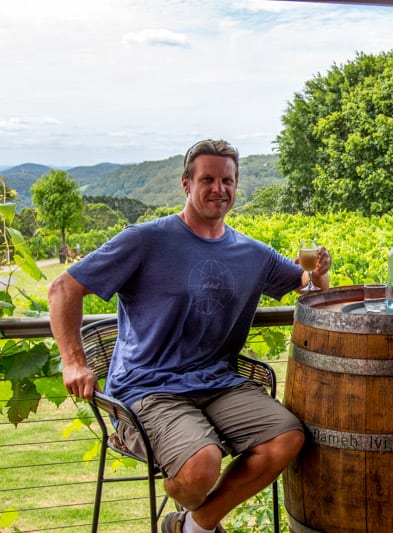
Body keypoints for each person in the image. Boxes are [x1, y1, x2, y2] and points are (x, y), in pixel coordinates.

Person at [48, 139, 332, 533]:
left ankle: (193, 526)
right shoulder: (145, 240)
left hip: (219, 382)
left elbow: (310, 290)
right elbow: (63, 288)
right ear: (186, 184)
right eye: (208, 179)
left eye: (227, 180)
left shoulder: (253, 253)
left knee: (287, 438)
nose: (219, 188)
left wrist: (318, 274)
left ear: (236, 186)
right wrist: (74, 362)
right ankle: (190, 491)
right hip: (148, 386)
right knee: (201, 465)